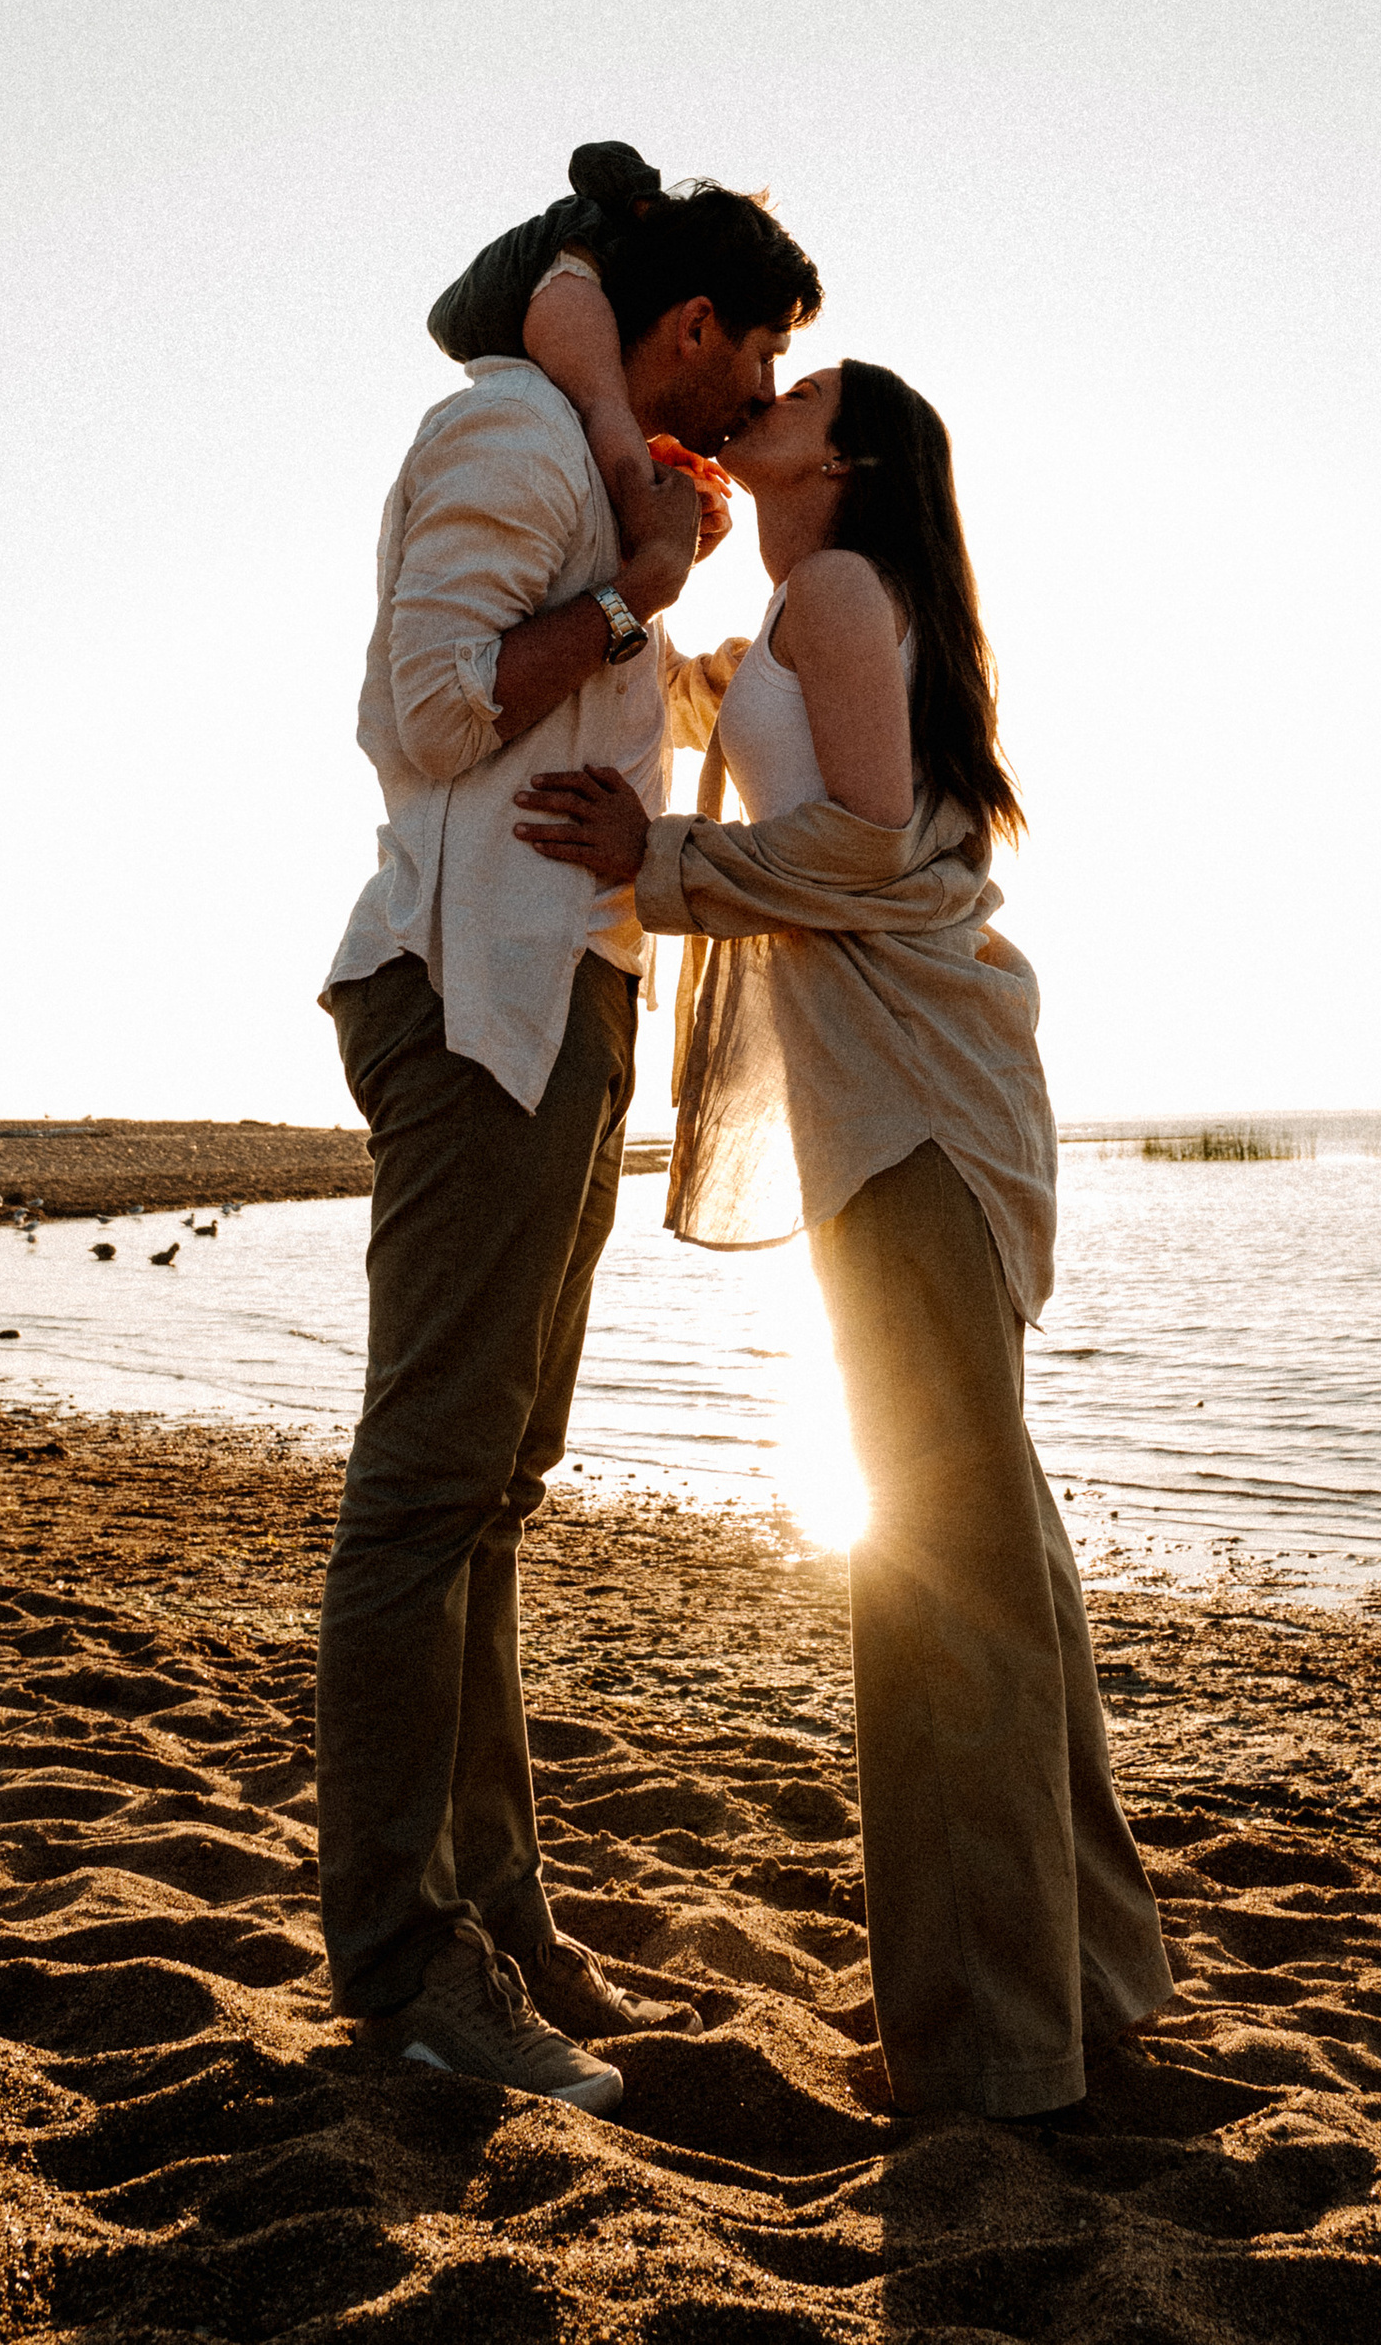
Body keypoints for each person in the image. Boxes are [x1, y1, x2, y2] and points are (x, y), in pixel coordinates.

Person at [518, 359, 1173, 2120]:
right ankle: (1082, 1992)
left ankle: (996, 2047)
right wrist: (658, 561)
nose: (766, 394)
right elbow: (728, 723)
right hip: (915, 1104)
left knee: (946, 1575)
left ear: (851, 454)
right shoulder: (812, 608)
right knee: (993, 1556)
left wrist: (660, 859)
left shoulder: (840, 586)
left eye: (795, 392)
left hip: (917, 1111)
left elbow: (874, 840)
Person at [316, 179, 823, 2111]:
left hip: (569, 1004)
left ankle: (500, 1906)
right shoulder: (509, 436)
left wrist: (667, 626)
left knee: (500, 1488)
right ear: (689, 327)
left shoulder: (605, 473)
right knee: (427, 1490)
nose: (758, 397)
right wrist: (633, 591)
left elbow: (578, 719)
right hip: (468, 1005)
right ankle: (404, 1964)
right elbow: (427, 711)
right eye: (756, 356)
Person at [423, 138, 676, 545]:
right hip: (554, 273)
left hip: (491, 313)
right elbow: (588, 159)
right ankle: (645, 518)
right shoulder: (595, 232)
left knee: (599, 408)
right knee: (604, 403)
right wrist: (658, 538)